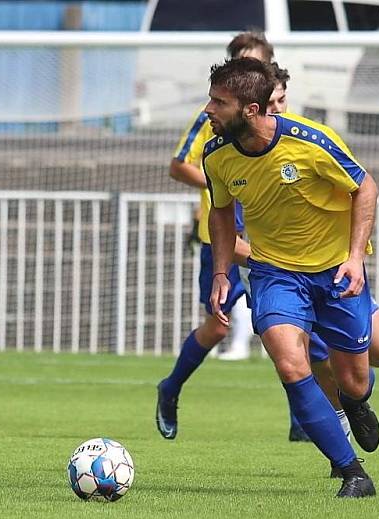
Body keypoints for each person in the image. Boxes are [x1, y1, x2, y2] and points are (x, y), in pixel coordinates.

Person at [204, 58, 379, 498]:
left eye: (218, 102)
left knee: (355, 380)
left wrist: (355, 258)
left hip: (335, 272)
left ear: (250, 110)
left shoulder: (310, 142)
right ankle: (352, 471)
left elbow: (365, 187)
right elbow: (221, 211)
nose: (208, 109)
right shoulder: (216, 154)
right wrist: (222, 270)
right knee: (288, 362)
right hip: (275, 273)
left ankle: (355, 402)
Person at [155, 32, 273, 440]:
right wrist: (219, 183)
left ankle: (307, 425)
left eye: (255, 62)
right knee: (219, 325)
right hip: (222, 237)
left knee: (287, 330)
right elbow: (177, 166)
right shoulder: (214, 119)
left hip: (269, 236)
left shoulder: (284, 123)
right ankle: (170, 387)